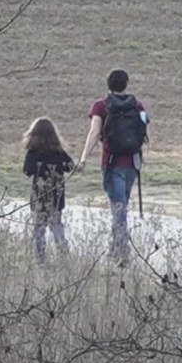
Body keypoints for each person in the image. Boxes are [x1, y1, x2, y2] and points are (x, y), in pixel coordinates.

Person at [75, 69, 148, 266]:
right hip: (132, 163)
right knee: (121, 206)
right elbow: (143, 130)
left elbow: (94, 132)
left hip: (111, 163)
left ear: (108, 84)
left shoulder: (101, 106)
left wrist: (83, 159)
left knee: (118, 209)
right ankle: (115, 249)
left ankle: (122, 253)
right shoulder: (137, 105)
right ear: (126, 84)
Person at [23, 117, 74, 264]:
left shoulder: (32, 153)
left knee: (39, 229)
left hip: (39, 196)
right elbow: (70, 166)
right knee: (56, 226)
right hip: (57, 196)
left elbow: (27, 171)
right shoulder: (58, 152)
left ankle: (40, 260)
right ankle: (64, 254)